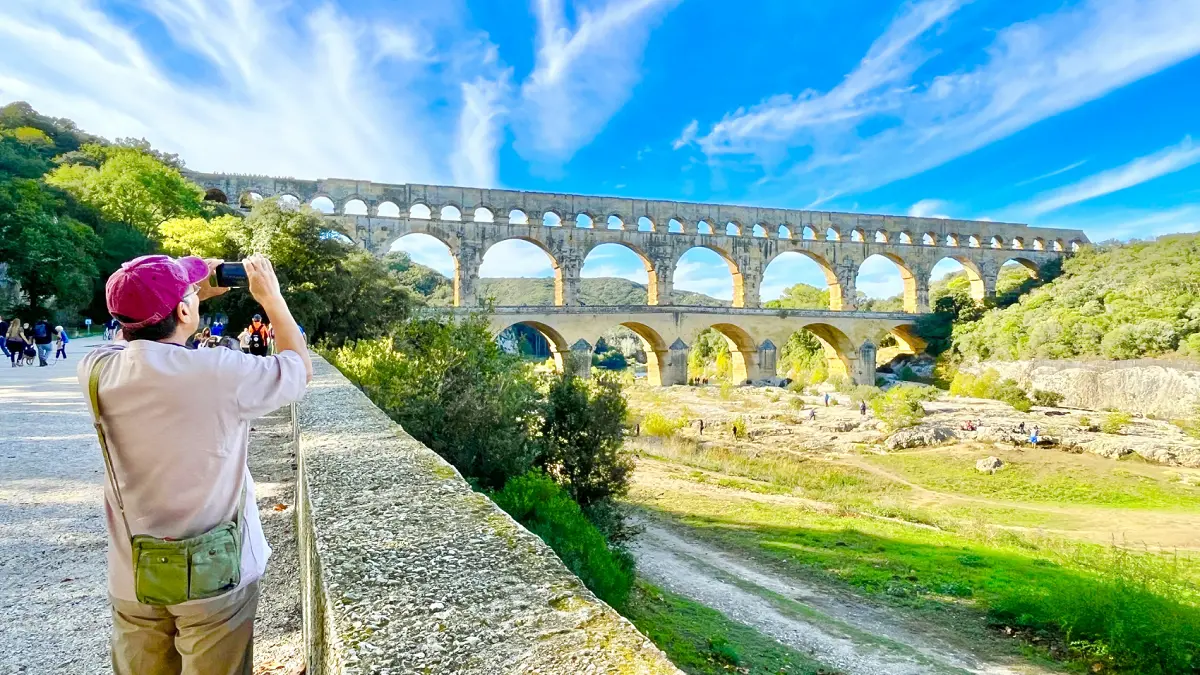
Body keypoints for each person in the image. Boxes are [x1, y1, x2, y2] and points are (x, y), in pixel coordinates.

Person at [79, 253, 311, 675]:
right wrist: (272, 299)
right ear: (185, 310)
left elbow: (133, 332)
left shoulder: (95, 369)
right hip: (215, 575)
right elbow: (298, 369)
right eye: (189, 297)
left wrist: (180, 298)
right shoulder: (219, 371)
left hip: (133, 575)